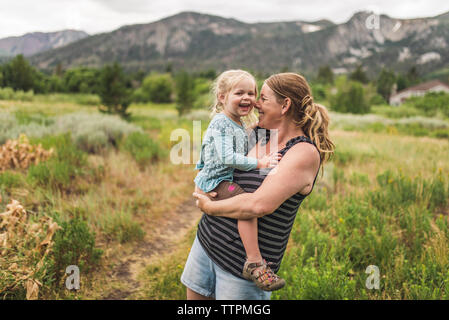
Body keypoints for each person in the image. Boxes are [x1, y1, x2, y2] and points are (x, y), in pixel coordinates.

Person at [183, 72, 335, 300]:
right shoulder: (256, 134)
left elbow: (257, 206)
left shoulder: (302, 152)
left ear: (285, 106)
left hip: (240, 272)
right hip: (206, 244)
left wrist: (209, 207)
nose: (255, 104)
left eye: (262, 98)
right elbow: (218, 157)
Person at [193, 69, 285, 291]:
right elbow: (226, 157)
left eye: (252, 93)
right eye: (239, 93)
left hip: (217, 177)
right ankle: (254, 262)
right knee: (244, 203)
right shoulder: (221, 123)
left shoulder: (236, 123)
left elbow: (207, 149)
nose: (247, 98)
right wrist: (261, 163)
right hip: (218, 180)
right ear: (222, 97)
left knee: (242, 202)